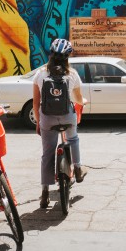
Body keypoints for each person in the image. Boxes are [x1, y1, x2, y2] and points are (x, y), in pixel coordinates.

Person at [33, 38, 86, 209]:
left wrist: (38, 121)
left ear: (51, 54)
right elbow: (78, 98)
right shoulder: (73, 74)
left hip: (47, 118)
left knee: (47, 154)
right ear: (67, 57)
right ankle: (77, 168)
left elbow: (36, 102)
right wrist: (82, 101)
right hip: (67, 116)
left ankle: (44, 193)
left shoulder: (40, 74)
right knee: (73, 139)